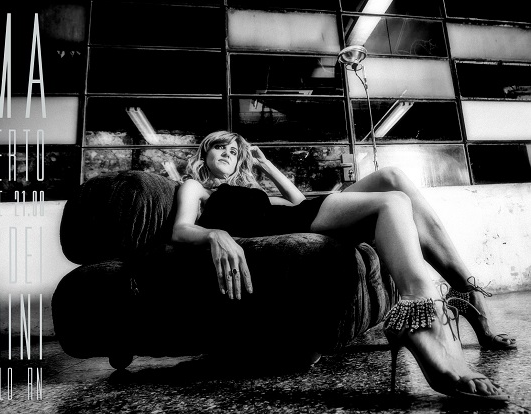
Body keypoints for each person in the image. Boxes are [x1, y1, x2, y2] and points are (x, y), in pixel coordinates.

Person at [171, 130, 511, 401]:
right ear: (205, 154)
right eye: (219, 147)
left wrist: (265, 164)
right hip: (300, 223)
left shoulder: (250, 190)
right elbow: (181, 229)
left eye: (234, 150)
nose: (227, 153)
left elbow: (298, 202)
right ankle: (424, 310)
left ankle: (465, 289)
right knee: (393, 201)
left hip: (301, 216)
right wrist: (215, 234)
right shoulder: (196, 187)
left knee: (393, 177)